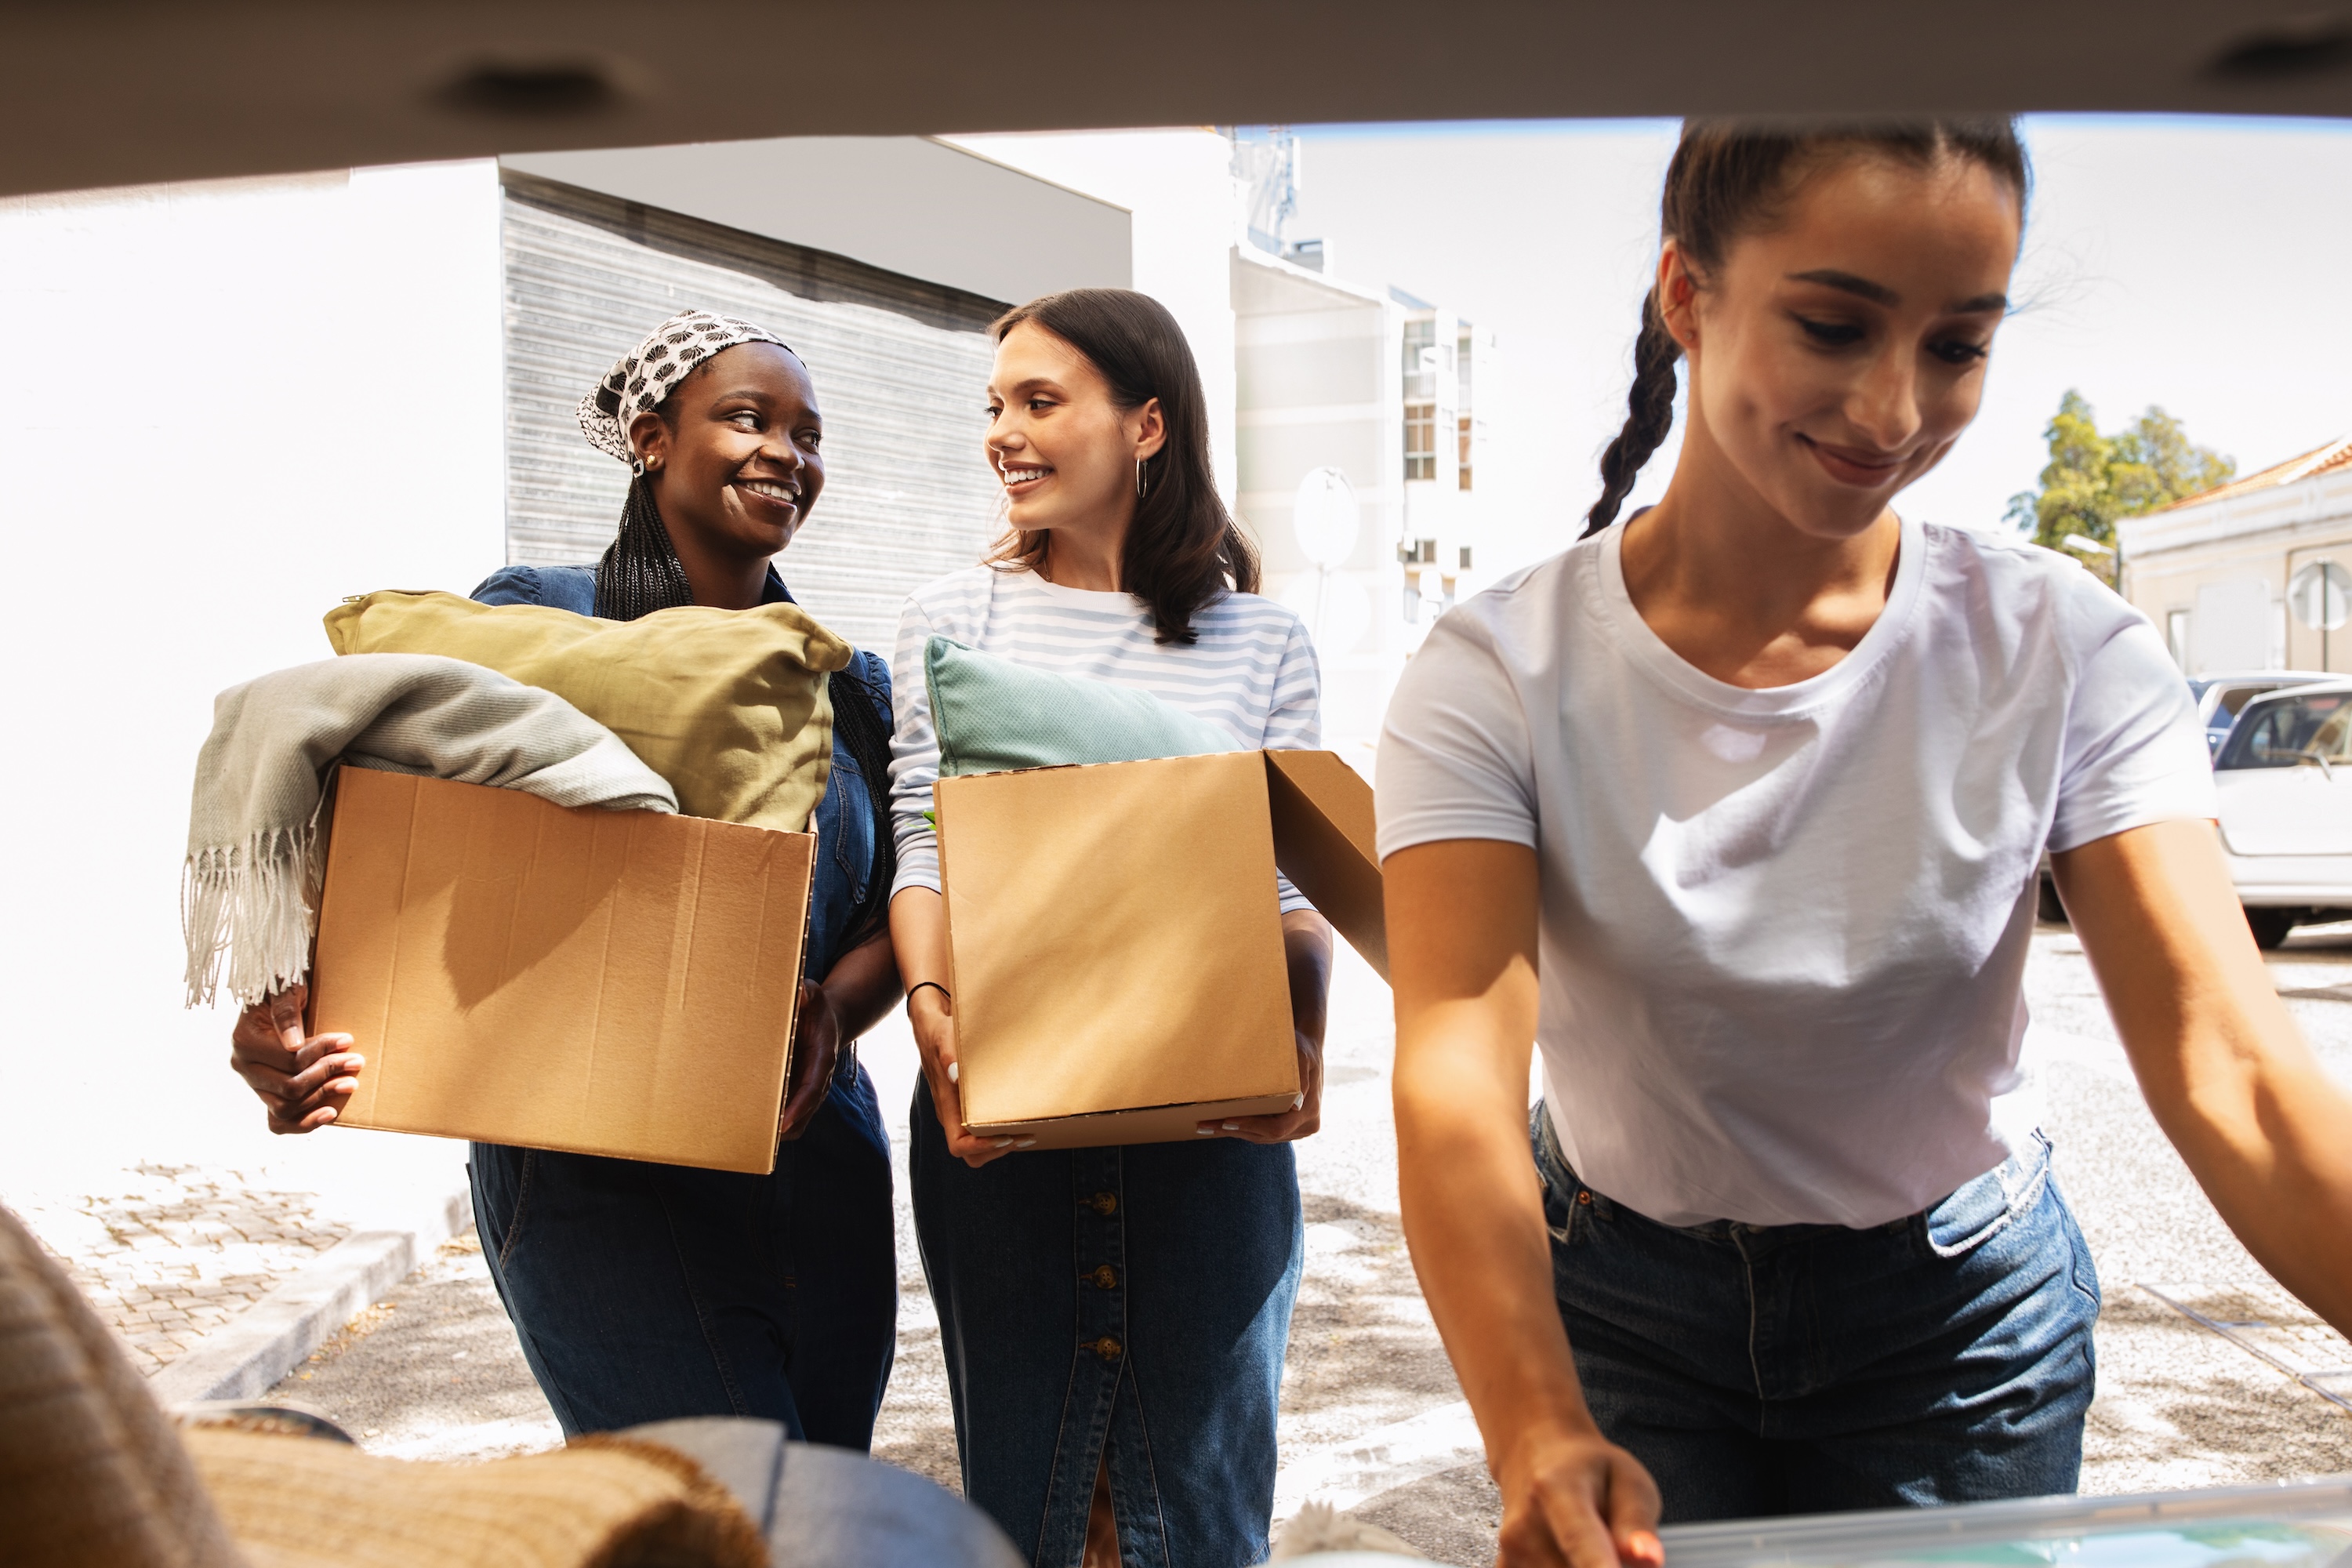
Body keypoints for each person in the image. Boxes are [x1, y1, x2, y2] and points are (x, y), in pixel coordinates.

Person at [1379, 118, 2352, 1567]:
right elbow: (1457, 1069)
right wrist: (1533, 1427)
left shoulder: (2063, 648)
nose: (1895, 409)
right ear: (1686, 294)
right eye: (1834, 325)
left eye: (1959, 346)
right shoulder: (1500, 669)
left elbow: (2234, 1066)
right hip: (1622, 1310)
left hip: (1958, 1328)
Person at [226, 310, 905, 1446]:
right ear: (650, 437)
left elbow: (892, 914)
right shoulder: (536, 620)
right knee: (726, 1518)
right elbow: (414, 839)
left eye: (810, 433)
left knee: (828, 1505)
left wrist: (833, 1007)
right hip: (593, 1168)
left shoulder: (851, 685)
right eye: (749, 418)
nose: (788, 453)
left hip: (808, 1155)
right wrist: (295, 1005)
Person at [886, 289, 1332, 1568]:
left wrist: (1305, 1043)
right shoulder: (949, 621)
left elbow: (1289, 890)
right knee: (1035, 1503)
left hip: (1211, 1133)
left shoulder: (1262, 639)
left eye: (1040, 403)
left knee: (1195, 1513)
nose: (1004, 436)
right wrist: (936, 1029)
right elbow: (924, 844)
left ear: (1147, 425)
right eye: (996, 408)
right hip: (1003, 1109)